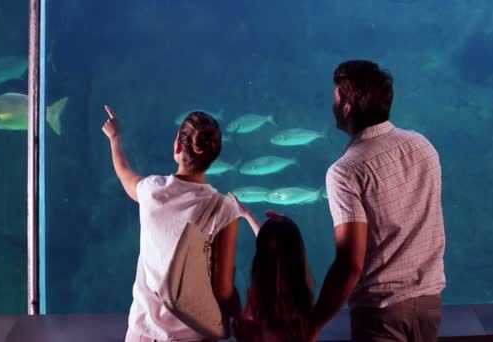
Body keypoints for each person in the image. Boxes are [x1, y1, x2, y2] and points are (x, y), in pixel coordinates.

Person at [311, 60, 446, 342]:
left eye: (336, 98)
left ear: (347, 107)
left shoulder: (345, 171)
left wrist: (314, 322)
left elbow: (350, 263)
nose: (333, 104)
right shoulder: (423, 146)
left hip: (381, 314)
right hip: (429, 304)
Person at [101, 106, 242, 342]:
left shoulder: (152, 191)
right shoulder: (224, 209)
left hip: (143, 333)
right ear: (213, 156)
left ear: (177, 146)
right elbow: (223, 290)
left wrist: (115, 138)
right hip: (195, 335)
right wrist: (238, 315)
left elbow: (125, 173)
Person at [228, 195, 315, 342]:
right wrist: (286, 228)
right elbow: (282, 256)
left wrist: (232, 296)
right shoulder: (305, 290)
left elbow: (244, 331)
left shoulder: (259, 300)